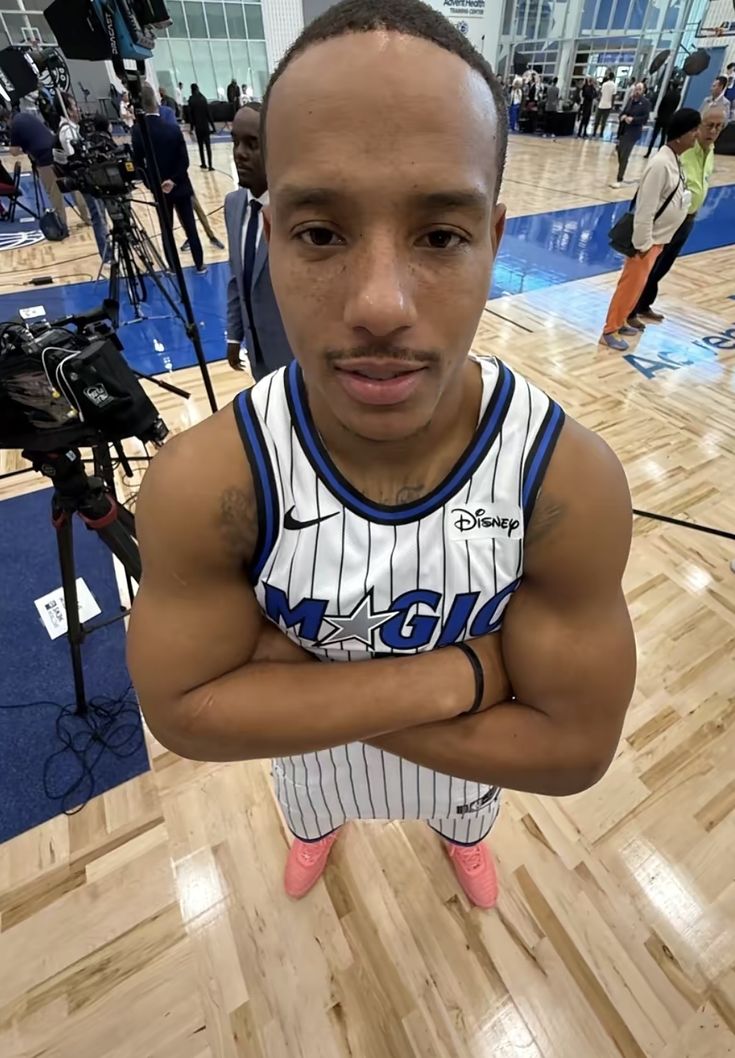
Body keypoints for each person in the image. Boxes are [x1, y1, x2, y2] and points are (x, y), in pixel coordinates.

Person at [128, 0, 636, 911]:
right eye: (322, 233)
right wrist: (464, 675)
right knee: (311, 811)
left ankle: (457, 841)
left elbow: (572, 754)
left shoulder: (566, 481)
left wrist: (296, 688)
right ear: (270, 237)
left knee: (465, 821)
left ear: (492, 242)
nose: (379, 305)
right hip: (331, 769)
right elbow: (186, 717)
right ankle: (317, 832)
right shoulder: (207, 483)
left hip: (457, 780)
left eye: (439, 236)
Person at [600, 108, 701, 351]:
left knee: (639, 285)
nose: (697, 135)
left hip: (659, 239)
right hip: (647, 241)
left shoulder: (674, 160)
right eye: (693, 130)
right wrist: (643, 243)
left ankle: (622, 321)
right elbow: (645, 209)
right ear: (680, 135)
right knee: (630, 285)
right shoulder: (660, 164)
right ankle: (609, 330)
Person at [633, 104, 728, 323]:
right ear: (697, 126)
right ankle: (630, 310)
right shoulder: (684, 149)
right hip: (670, 218)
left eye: (719, 126)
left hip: (689, 217)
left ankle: (644, 304)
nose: (714, 131)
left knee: (663, 265)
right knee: (650, 264)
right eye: (709, 125)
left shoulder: (710, 150)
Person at [224, 103, 292, 377]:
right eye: (235, 142)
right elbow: (236, 278)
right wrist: (234, 336)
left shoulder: (293, 210)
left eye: (252, 144)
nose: (239, 153)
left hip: (294, 354)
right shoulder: (232, 205)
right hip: (256, 353)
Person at [131, 84, 207, 274]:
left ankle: (173, 267)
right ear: (156, 102)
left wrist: (152, 185)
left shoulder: (138, 132)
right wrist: (173, 180)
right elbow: (184, 161)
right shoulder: (173, 129)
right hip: (180, 185)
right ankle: (199, 263)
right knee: (190, 226)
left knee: (166, 230)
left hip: (159, 189)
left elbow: (138, 165)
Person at [57, 96, 110, 260]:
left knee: (101, 215)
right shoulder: (67, 132)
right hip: (85, 179)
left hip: (91, 178)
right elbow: (74, 159)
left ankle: (108, 249)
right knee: (98, 216)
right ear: (68, 110)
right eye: (74, 106)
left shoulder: (74, 129)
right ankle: (107, 256)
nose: (78, 109)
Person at [8, 108, 70, 236]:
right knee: (70, 185)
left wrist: (24, 149)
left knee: (54, 192)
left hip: (44, 158)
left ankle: (62, 226)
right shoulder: (26, 116)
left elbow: (14, 152)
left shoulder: (15, 125)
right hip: (57, 151)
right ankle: (87, 217)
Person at [610, 82, 651, 188]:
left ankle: (619, 178)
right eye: (636, 88)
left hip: (633, 132)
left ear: (643, 91)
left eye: (639, 89)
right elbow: (624, 111)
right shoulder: (630, 100)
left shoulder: (645, 103)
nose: (637, 91)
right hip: (623, 130)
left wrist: (633, 120)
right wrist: (622, 116)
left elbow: (645, 118)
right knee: (620, 152)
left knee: (625, 155)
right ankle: (621, 173)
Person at [645, 80, 681, 157]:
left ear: (671, 86)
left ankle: (648, 152)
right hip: (669, 119)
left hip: (661, 118)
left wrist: (658, 115)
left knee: (654, 136)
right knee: (663, 137)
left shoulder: (667, 94)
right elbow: (675, 107)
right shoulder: (678, 96)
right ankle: (659, 153)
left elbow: (661, 105)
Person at [188, 83, 215, 170]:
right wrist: (213, 126)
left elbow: (191, 116)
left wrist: (191, 128)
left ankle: (203, 163)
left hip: (198, 127)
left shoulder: (191, 100)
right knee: (208, 146)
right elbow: (208, 114)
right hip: (205, 126)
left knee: (200, 146)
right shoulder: (203, 98)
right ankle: (210, 165)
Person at [593, 73, 616, 138]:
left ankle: (594, 132)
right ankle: (601, 133)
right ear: (613, 77)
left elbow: (600, 94)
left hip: (601, 104)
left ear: (608, 77)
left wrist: (599, 100)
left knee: (597, 119)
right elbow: (613, 97)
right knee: (604, 120)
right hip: (608, 105)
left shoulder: (604, 84)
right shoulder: (614, 85)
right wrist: (612, 105)